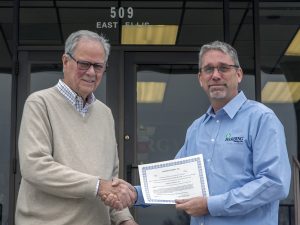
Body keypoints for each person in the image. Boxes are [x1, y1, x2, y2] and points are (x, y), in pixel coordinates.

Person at [103, 40, 291, 225]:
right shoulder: (196, 129)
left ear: (239, 74)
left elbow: (274, 183)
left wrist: (211, 205)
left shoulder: (261, 119)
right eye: (208, 69)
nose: (215, 75)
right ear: (200, 79)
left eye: (224, 68)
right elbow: (174, 181)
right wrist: (134, 193)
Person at [15, 30, 137, 225]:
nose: (91, 72)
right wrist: (98, 186)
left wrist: (124, 219)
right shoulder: (40, 103)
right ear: (65, 61)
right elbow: (35, 166)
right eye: (84, 64)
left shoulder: (105, 114)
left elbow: (111, 179)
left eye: (98, 66)